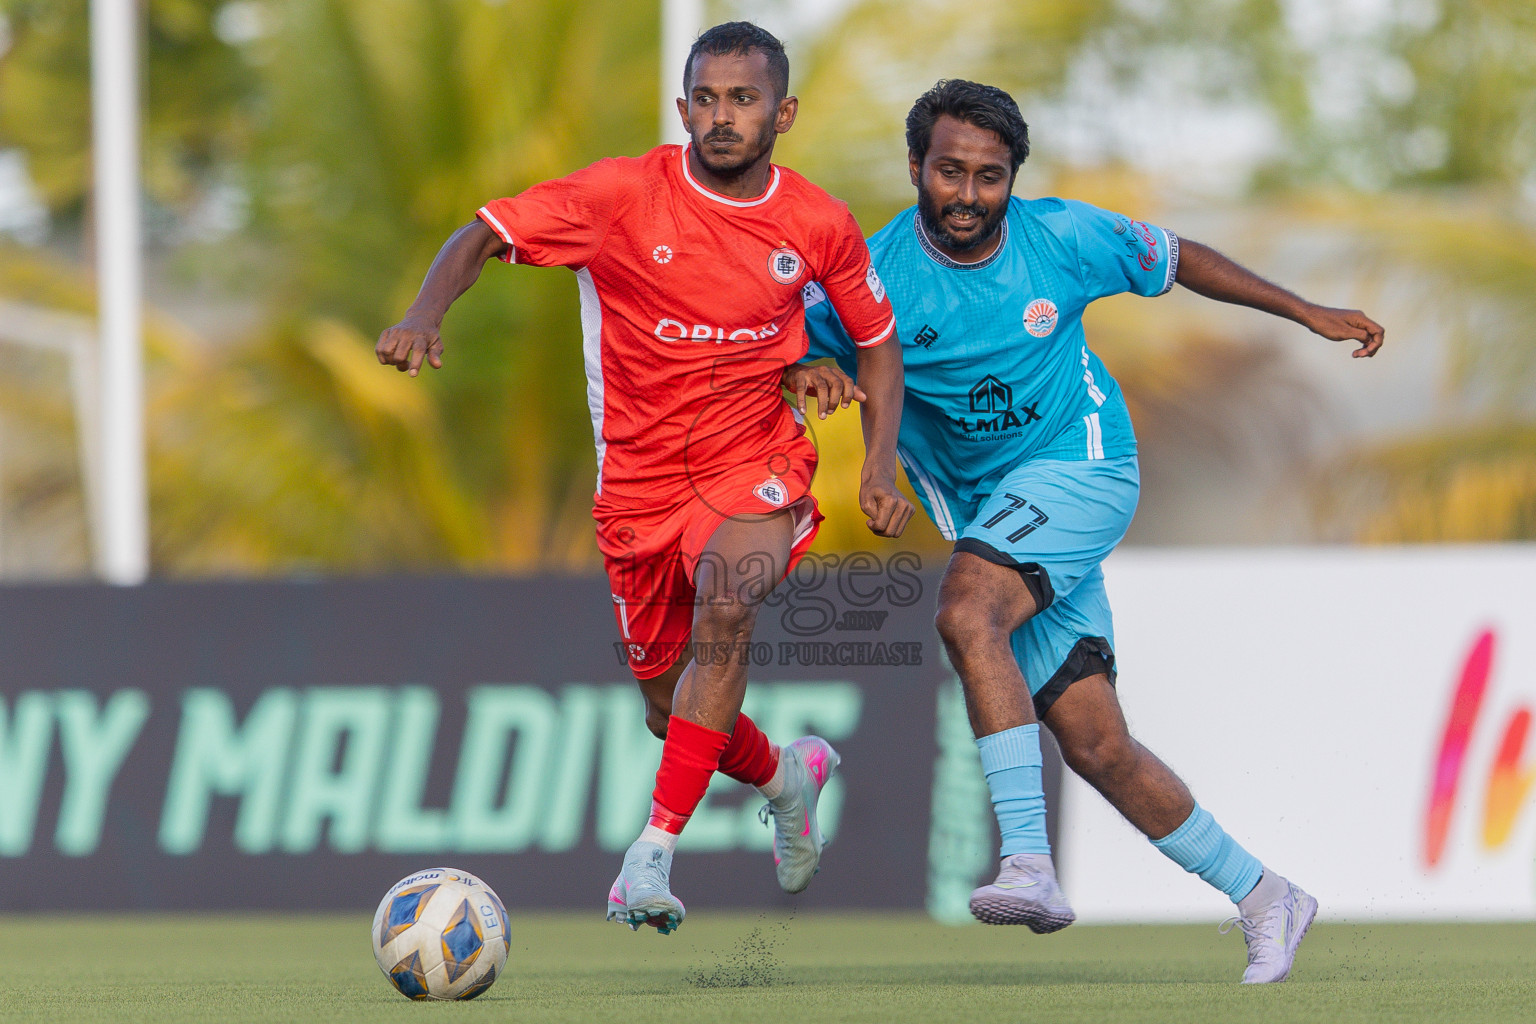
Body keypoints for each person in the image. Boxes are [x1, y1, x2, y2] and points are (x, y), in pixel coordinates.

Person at [796, 79, 1383, 983]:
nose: (967, 194)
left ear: (1012, 181)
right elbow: (805, 342)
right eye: (949, 171)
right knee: (1097, 745)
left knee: (965, 611)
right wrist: (810, 369)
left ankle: (1029, 862)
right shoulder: (875, 275)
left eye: (990, 177)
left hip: (1084, 466)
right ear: (916, 167)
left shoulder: (1062, 237)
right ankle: (1268, 897)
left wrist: (1302, 310)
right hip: (1000, 512)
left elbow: (1180, 256)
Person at [376, 22, 913, 935]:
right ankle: (789, 776)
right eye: (705, 98)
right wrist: (427, 312)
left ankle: (649, 857)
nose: (721, 116)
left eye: (743, 100)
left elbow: (877, 343)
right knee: (672, 713)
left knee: (730, 599)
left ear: (782, 112)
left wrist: (879, 460)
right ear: (682, 108)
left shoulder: (816, 222)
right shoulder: (619, 196)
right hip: (638, 485)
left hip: (755, 461)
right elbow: (480, 232)